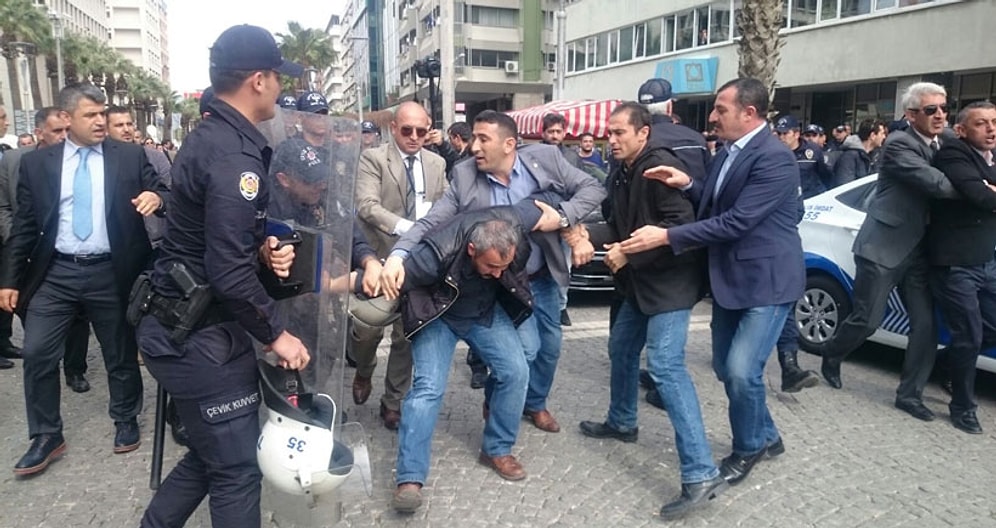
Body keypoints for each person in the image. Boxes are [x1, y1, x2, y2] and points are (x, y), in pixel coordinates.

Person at [136, 25, 310, 527]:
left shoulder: (214, 135)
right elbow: (226, 270)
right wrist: (277, 333)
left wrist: (259, 248)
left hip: (183, 327)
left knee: (213, 455)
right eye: (278, 77)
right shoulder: (235, 155)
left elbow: (216, 239)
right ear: (257, 80)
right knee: (236, 470)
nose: (282, 87)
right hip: (199, 339)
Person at [623, 78, 804, 486]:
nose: (712, 116)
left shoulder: (774, 157)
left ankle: (749, 447)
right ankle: (769, 434)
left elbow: (738, 220)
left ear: (749, 113)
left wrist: (667, 235)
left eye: (721, 109)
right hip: (731, 280)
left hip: (767, 281)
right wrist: (687, 183)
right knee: (725, 367)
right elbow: (719, 201)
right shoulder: (727, 152)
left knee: (741, 370)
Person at [381, 110, 605, 435]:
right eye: (473, 138)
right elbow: (432, 223)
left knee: (550, 347)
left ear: (509, 144)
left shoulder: (546, 157)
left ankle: (534, 403)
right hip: (502, 282)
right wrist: (398, 256)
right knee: (524, 351)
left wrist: (565, 218)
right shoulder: (465, 176)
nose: (474, 147)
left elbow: (592, 189)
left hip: (544, 275)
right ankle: (500, 399)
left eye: (483, 139)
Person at [0, 83, 168, 476]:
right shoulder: (39, 164)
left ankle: (125, 417)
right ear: (66, 117)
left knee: (118, 352)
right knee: (39, 352)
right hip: (55, 273)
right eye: (90, 115)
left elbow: (164, 188)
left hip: (112, 271)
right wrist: (10, 280)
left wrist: (157, 198)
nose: (100, 121)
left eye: (102, 114)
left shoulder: (129, 156)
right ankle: (45, 434)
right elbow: (24, 225)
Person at [578, 102, 726, 519]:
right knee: (622, 348)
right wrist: (577, 230)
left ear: (644, 134)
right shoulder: (622, 169)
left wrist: (627, 254)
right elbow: (620, 226)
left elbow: (679, 235)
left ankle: (701, 472)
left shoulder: (658, 168)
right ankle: (623, 422)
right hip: (641, 285)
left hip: (671, 286)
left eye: (619, 133)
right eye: (609, 133)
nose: (612, 140)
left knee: (664, 366)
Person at [389, 200, 562, 512]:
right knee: (428, 389)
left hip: (483, 313)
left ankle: (497, 448)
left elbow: (548, 209)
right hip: (437, 314)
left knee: (516, 371)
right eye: (491, 267)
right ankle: (410, 477)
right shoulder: (432, 255)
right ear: (471, 250)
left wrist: (571, 228)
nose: (498, 274)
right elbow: (392, 280)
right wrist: (351, 280)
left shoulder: (516, 225)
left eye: (503, 267)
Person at [819, 83, 963, 423]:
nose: (941, 114)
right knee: (867, 320)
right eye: (931, 110)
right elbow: (939, 185)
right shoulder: (899, 144)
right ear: (911, 115)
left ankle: (909, 396)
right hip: (883, 247)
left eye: (945, 107)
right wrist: (979, 188)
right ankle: (832, 353)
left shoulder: (947, 141)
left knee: (925, 327)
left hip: (920, 253)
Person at [352, 101, 448, 430]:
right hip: (379, 259)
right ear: (393, 128)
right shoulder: (374, 158)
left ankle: (392, 401)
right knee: (367, 330)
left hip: (418, 265)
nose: (414, 137)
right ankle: (364, 370)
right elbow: (366, 206)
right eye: (407, 130)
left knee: (406, 334)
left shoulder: (436, 163)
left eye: (421, 131)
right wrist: (408, 228)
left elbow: (446, 207)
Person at [0, 108, 94, 386]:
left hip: (67, 254)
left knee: (78, 316)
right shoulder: (15, 160)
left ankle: (75, 369)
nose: (64, 137)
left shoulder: (81, 159)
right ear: (39, 133)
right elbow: (5, 205)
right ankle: (46, 367)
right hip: (27, 253)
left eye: (68, 131)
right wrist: (16, 240)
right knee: (36, 317)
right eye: (57, 132)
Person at [925, 101, 996, 434]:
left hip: (985, 259)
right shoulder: (954, 153)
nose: (991, 129)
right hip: (955, 262)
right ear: (963, 130)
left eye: (994, 122)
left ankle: (941, 365)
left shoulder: (991, 158)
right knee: (968, 334)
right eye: (982, 123)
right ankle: (963, 407)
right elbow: (981, 198)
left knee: (990, 329)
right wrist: (986, 190)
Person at [833, 118, 887, 187]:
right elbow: (845, 188)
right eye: (882, 133)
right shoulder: (848, 157)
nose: (884, 137)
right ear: (872, 136)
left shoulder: (877, 155)